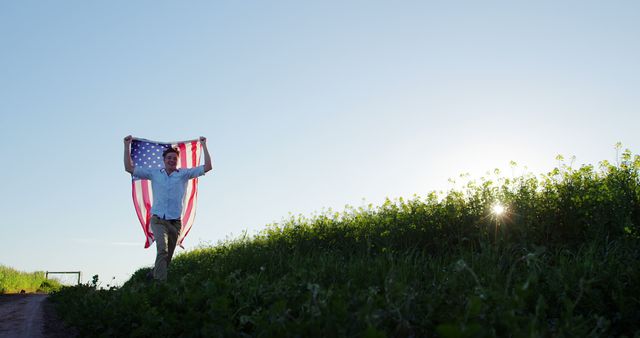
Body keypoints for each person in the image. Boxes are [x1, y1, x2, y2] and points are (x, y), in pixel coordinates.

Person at [123, 135, 213, 281]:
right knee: (162, 250)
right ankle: (160, 287)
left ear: (177, 161)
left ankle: (153, 274)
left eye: (174, 158)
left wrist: (204, 146)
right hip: (158, 220)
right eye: (169, 158)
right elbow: (129, 168)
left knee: (167, 257)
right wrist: (126, 146)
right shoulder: (155, 174)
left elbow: (208, 167)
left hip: (175, 223)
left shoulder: (183, 174)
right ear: (164, 160)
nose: (171, 160)